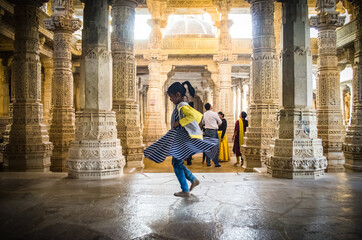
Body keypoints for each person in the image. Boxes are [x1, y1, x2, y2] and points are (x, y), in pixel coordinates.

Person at [144, 81, 219, 198]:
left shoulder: (182, 106)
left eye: (172, 97)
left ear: (178, 94)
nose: (170, 99)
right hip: (181, 138)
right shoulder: (181, 106)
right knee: (177, 162)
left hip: (183, 138)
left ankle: (185, 189)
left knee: (176, 162)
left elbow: (194, 116)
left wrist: (179, 122)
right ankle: (192, 180)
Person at [202, 103, 222, 167]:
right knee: (215, 147)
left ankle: (208, 162)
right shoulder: (214, 114)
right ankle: (216, 163)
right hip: (213, 131)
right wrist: (215, 125)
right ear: (210, 107)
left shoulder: (204, 114)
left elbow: (203, 123)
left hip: (207, 131)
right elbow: (220, 122)